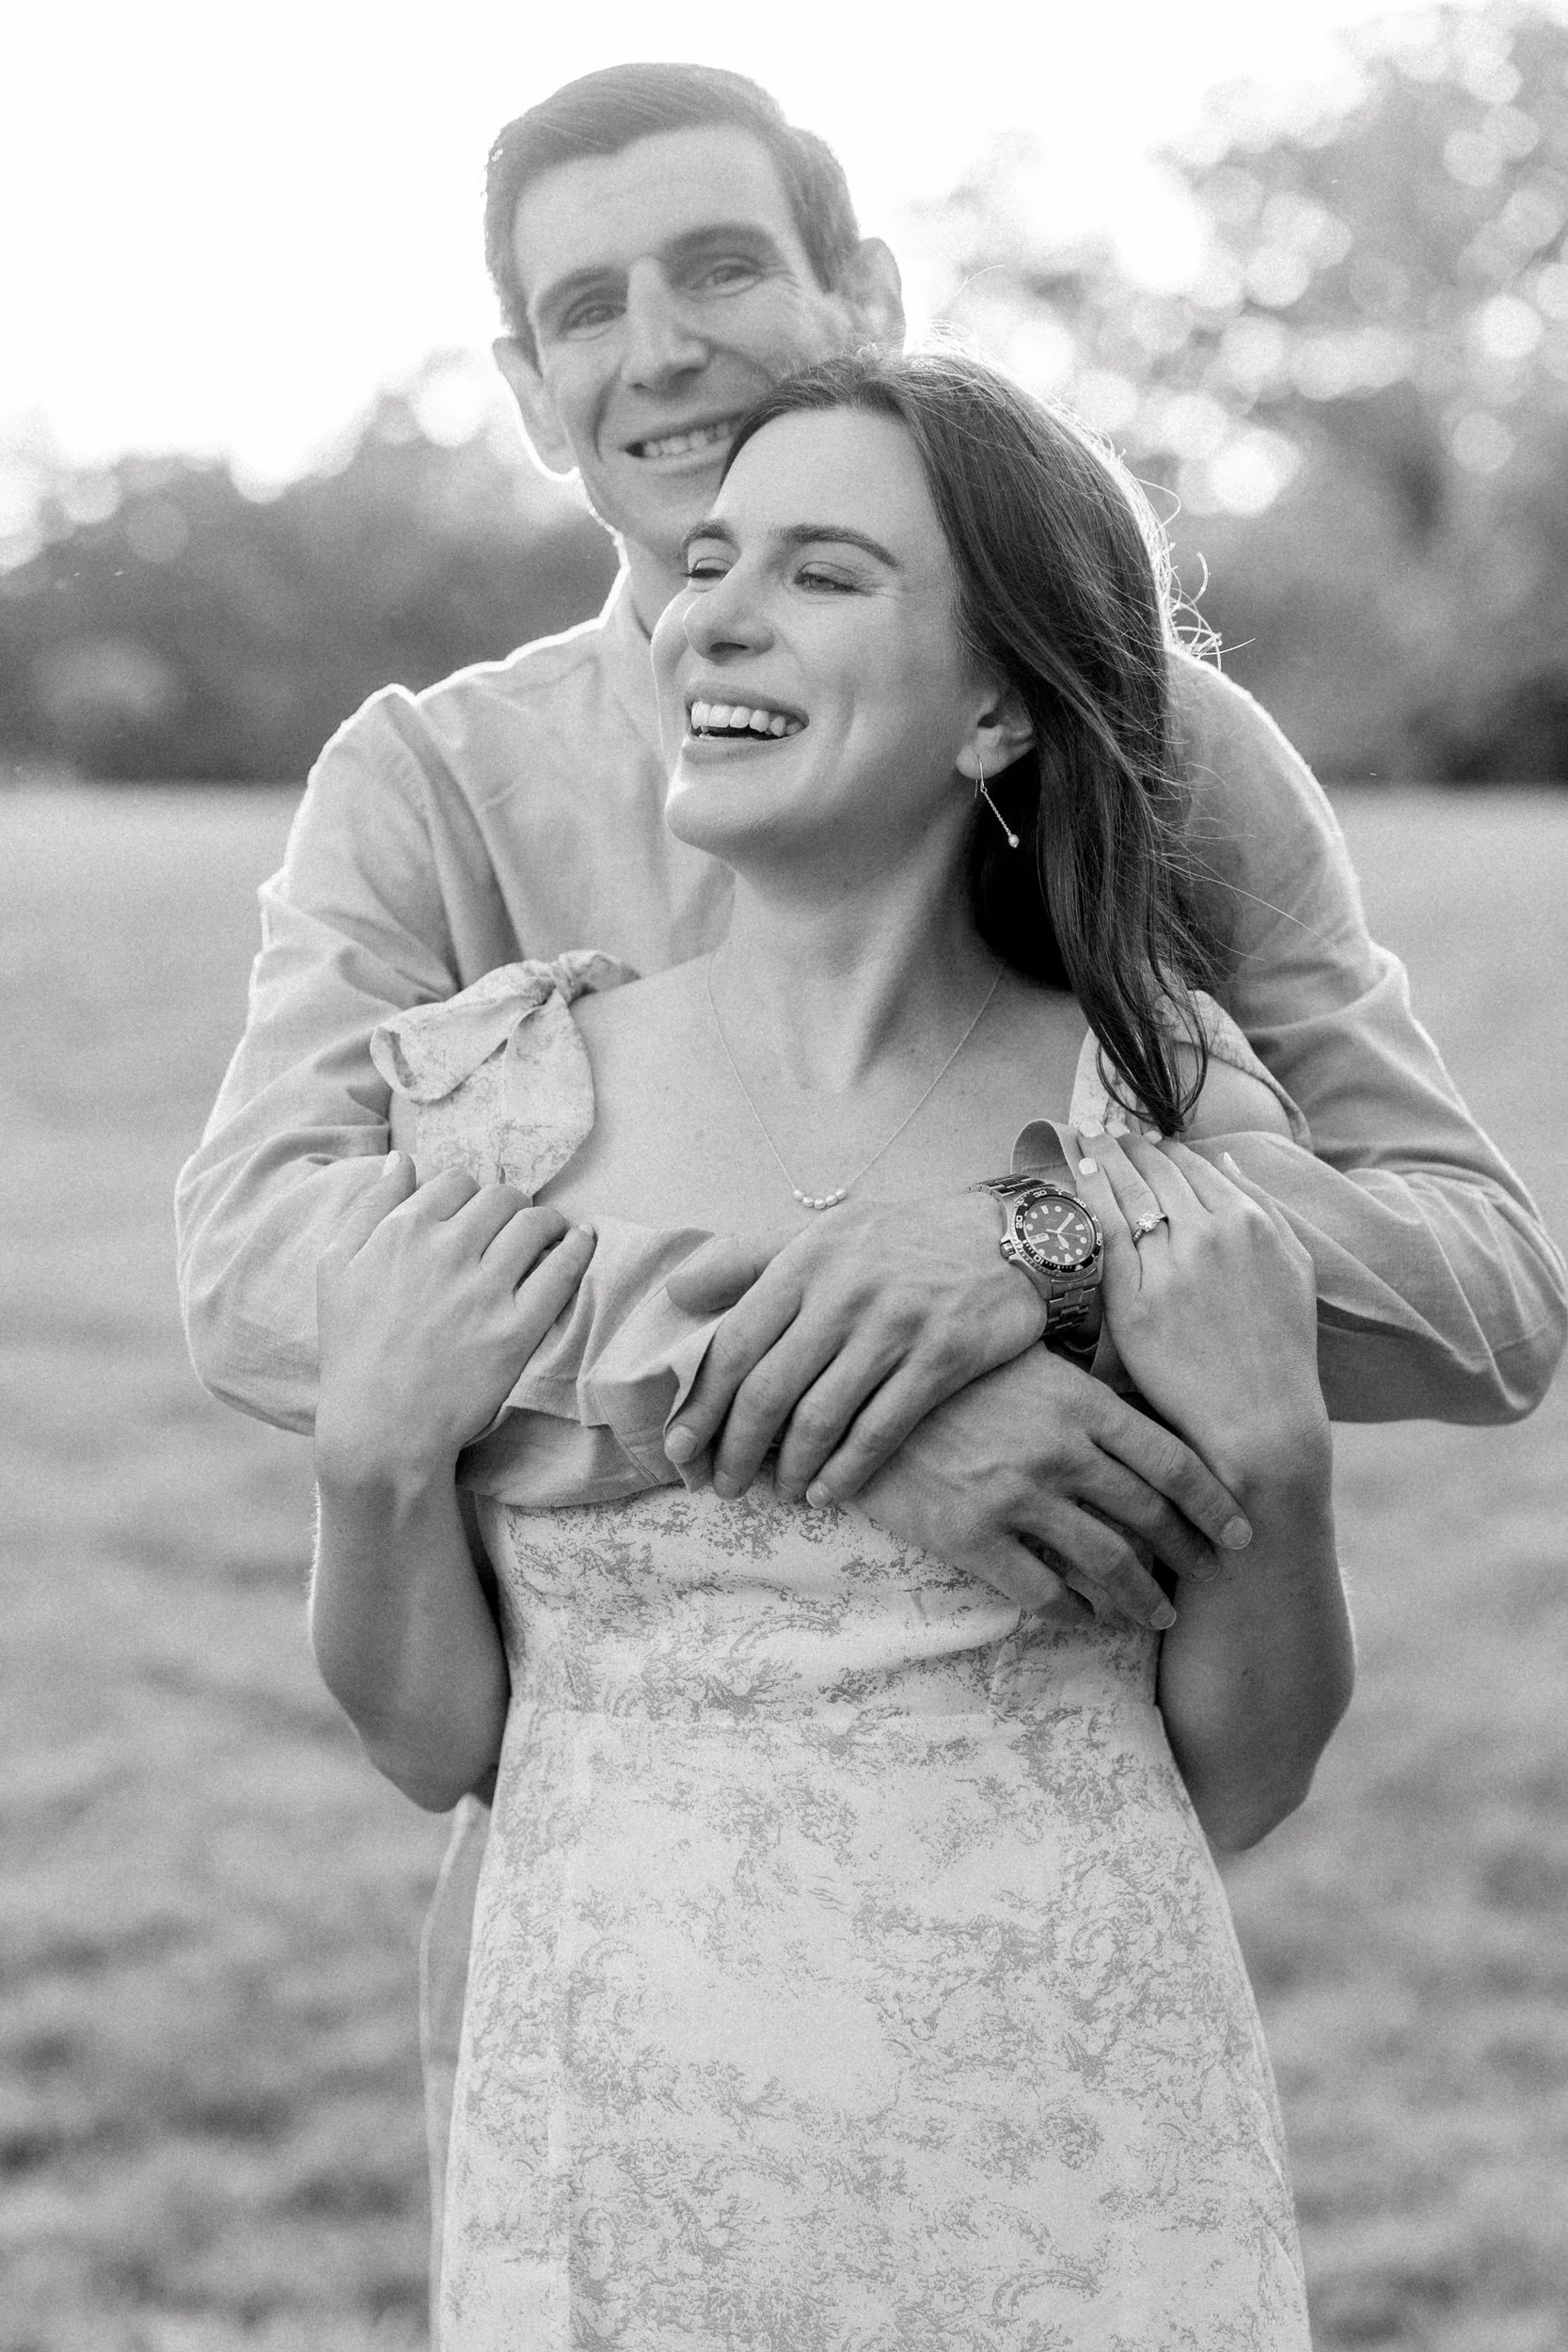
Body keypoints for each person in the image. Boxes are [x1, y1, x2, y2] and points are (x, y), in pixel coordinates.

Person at [173, 57, 1564, 2297]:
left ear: (861, 294)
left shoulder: (1152, 737)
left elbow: (1485, 1292)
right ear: (534, 395)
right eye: (585, 308)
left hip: (1040, 1943)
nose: (662, 346)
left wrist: (1036, 1248)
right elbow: (263, 1270)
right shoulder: (432, 780)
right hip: (594, 1928)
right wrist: (829, 1392)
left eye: (722, 263)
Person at [309, 348, 1354, 2345]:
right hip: (616, 2163)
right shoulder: (508, 1100)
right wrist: (369, 1458)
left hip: (1079, 2169)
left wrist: (1278, 1460)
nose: (712, 607)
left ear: (993, 702)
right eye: (709, 561)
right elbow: (431, 1735)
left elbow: (1244, 1764)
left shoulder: (1156, 1102)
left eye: (820, 568)